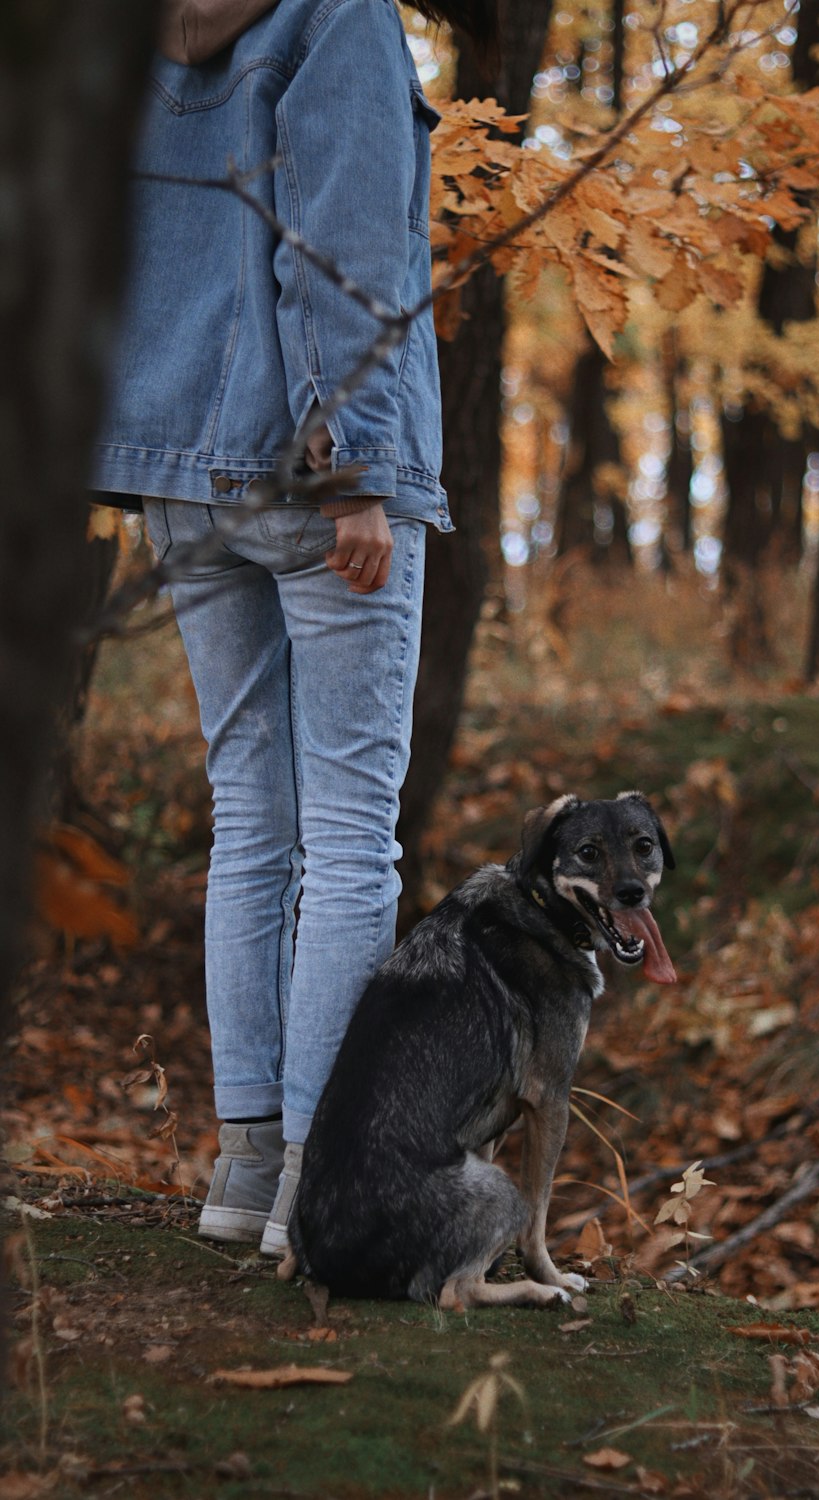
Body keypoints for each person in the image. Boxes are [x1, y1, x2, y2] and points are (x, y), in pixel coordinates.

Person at [93, 0, 500, 1255]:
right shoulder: (338, 21)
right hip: (317, 470)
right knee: (347, 831)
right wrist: (362, 464)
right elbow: (346, 247)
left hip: (181, 464)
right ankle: (315, 1191)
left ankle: (244, 1170)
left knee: (253, 819)